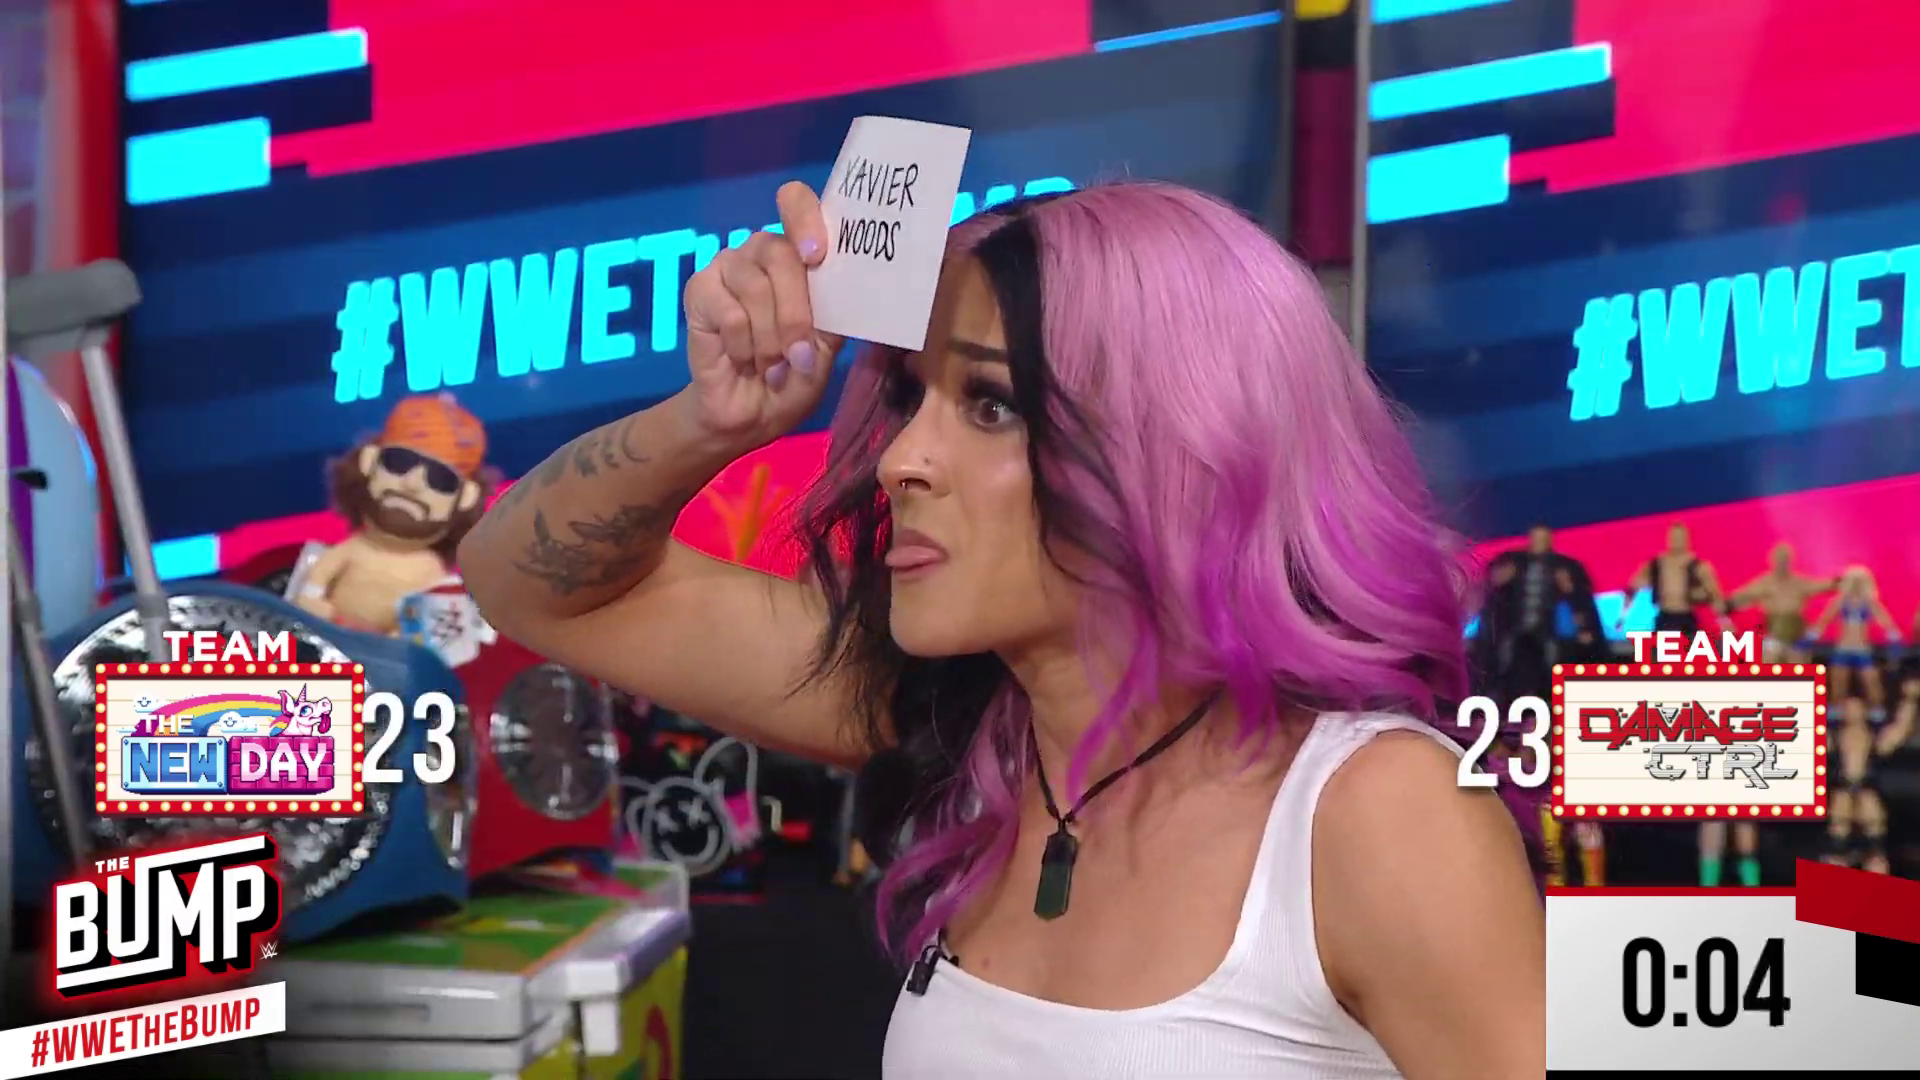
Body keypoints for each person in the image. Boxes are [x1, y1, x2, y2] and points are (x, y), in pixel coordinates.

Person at [460, 181, 1543, 1078]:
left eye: (991, 405)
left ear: (1183, 444)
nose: (900, 460)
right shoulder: (968, 729)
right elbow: (530, 585)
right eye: (912, 400)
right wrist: (711, 421)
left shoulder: (1376, 812)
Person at [298, 394, 493, 634]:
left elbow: (425, 625)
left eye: (440, 479)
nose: (412, 484)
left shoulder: (432, 575)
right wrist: (312, 602)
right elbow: (312, 587)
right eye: (399, 462)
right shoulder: (352, 548)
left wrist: (400, 639)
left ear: (466, 497)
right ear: (369, 461)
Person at [1478, 525, 1601, 700]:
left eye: (1543, 540)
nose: (1539, 544)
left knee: (1553, 658)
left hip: (1547, 629)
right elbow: (1489, 584)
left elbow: (1579, 599)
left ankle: (1551, 697)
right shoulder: (1513, 562)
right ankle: (1495, 695)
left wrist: (1584, 628)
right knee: (1503, 656)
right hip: (1514, 627)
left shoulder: (1564, 566)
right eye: (1536, 539)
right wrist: (1499, 578)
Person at [1809, 566, 1903, 709]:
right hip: (1843, 649)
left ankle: (1877, 710)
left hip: (1862, 649)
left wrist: (1895, 638)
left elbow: (1886, 622)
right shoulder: (1840, 601)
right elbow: (1824, 620)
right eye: (1853, 581)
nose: (1856, 585)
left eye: (1860, 581)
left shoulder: (1870, 602)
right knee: (1838, 684)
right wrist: (1810, 637)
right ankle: (1836, 711)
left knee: (1871, 682)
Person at [1729, 543, 1832, 663]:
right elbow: (1738, 597)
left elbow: (1825, 585)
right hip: (1773, 638)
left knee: (1797, 662)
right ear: (1772, 560)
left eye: (1785, 559)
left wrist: (1842, 581)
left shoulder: (1799, 582)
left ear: (1790, 561)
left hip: (1797, 638)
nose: (1782, 563)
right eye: (1779, 559)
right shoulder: (1764, 583)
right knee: (1769, 659)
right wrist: (1728, 603)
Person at [1623, 523, 1728, 638]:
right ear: (1668, 539)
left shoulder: (1699, 566)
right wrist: (1623, 615)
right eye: (1674, 537)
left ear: (1687, 539)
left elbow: (1714, 595)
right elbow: (1633, 587)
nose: (1677, 541)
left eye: (1680, 537)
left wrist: (1725, 622)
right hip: (1665, 617)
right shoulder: (1656, 564)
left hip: (1687, 618)